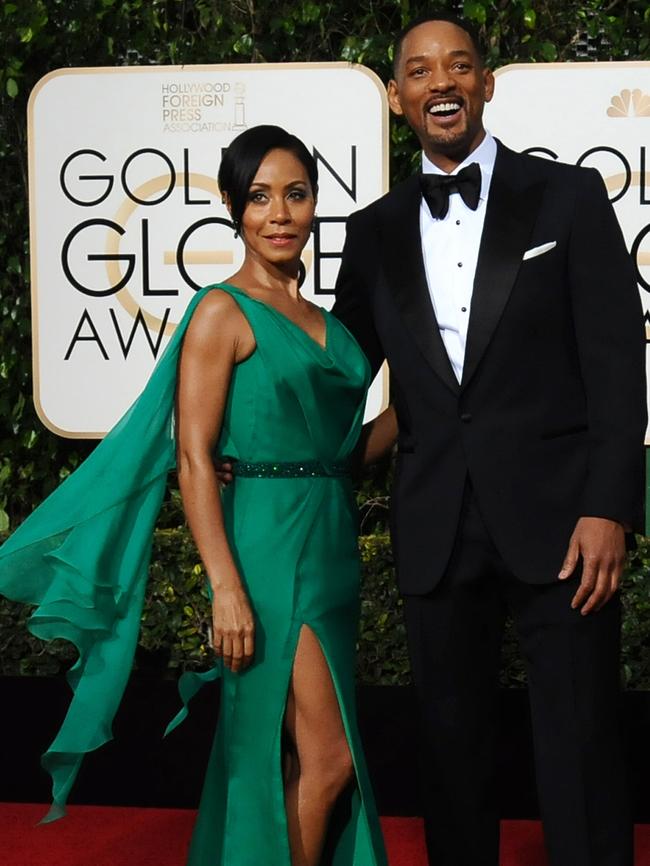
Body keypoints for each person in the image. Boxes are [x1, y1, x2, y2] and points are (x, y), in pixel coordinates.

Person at [0, 125, 394, 866]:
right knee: (330, 759)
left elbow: (340, 458)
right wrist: (224, 588)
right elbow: (193, 455)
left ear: (315, 205)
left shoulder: (328, 323)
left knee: (294, 757)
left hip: (332, 546)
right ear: (232, 209)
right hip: (269, 554)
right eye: (259, 197)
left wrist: (419, 409)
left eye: (297, 194)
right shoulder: (221, 311)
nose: (279, 213)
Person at [332, 13, 646, 866]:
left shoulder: (569, 199)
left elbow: (618, 364)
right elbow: (335, 372)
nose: (443, 83)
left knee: (582, 747)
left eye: (459, 67)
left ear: (486, 84)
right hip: (436, 524)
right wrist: (243, 415)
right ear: (399, 98)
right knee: (450, 758)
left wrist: (610, 507)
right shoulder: (374, 231)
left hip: (564, 527)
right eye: (423, 72)